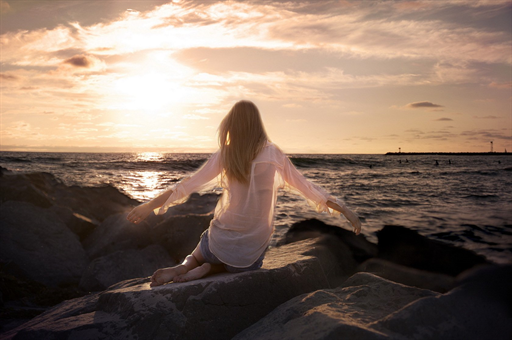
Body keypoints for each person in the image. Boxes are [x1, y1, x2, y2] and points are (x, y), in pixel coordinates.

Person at [127, 100, 362, 287]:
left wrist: (149, 205)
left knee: (198, 254)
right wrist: (345, 210)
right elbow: (308, 188)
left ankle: (188, 266)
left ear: (232, 125)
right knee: (245, 261)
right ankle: (211, 269)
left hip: (219, 241)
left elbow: (187, 185)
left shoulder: (226, 154)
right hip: (250, 253)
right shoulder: (274, 154)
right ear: (257, 125)